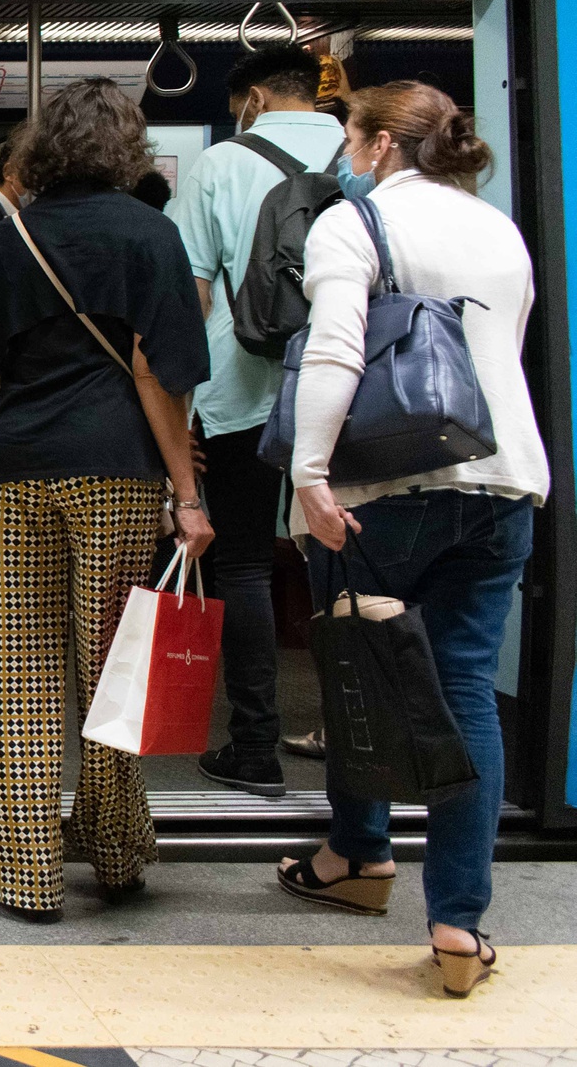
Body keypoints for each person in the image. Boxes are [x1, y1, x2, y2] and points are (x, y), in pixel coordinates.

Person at [274, 81, 547, 999]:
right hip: (502, 478)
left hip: (387, 485)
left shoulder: (355, 224)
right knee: (465, 682)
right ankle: (458, 921)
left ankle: (359, 852)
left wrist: (310, 474)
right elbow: (503, 348)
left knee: (359, 661)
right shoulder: (496, 227)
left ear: (384, 143)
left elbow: (335, 351)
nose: (348, 151)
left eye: (355, 136)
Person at [0, 78, 213, 922]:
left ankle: (22, 874)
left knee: (22, 671)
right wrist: (189, 494)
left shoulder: (9, 234)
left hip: (16, 467)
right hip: (116, 470)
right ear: (126, 148)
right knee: (111, 666)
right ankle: (117, 856)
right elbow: (156, 373)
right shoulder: (151, 234)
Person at [168, 44, 346, 798]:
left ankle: (254, 746)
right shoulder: (365, 152)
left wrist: (178, 412)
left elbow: (191, 293)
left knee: (241, 564)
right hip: (351, 394)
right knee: (347, 567)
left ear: (256, 97)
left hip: (242, 391)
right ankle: (359, 742)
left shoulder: (222, 164)